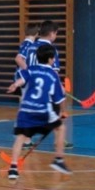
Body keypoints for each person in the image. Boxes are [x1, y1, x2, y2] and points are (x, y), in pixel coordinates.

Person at [6, 44, 72, 180]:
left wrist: (14, 85)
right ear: (51, 59)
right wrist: (63, 112)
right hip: (43, 110)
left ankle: (13, 168)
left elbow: (21, 80)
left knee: (20, 137)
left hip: (26, 109)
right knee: (61, 128)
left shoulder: (31, 69)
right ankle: (59, 160)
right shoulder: (53, 75)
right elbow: (60, 99)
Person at [26, 20, 73, 149]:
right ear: (52, 33)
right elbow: (54, 71)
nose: (56, 36)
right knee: (57, 111)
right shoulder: (51, 49)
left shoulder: (31, 47)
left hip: (32, 84)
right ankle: (59, 140)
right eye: (56, 33)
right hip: (47, 85)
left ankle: (27, 141)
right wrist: (60, 86)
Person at [14, 22, 40, 149]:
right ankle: (25, 137)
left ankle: (25, 135)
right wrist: (29, 71)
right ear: (37, 33)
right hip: (25, 80)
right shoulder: (28, 44)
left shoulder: (29, 45)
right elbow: (18, 59)